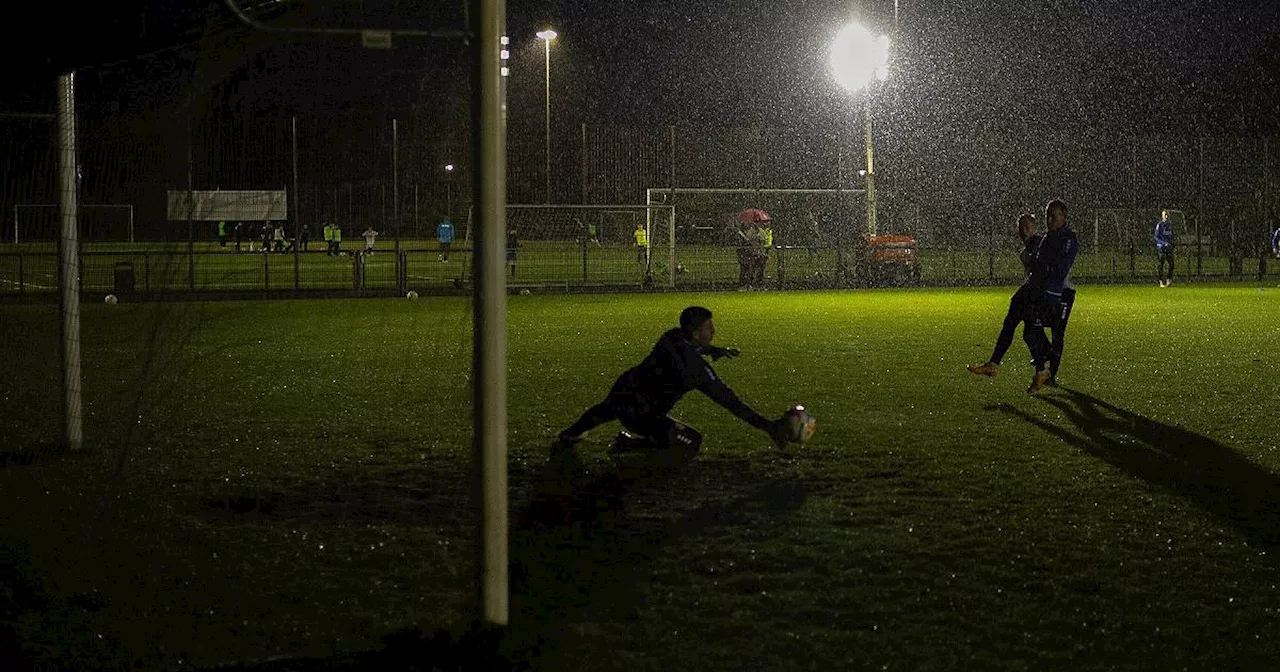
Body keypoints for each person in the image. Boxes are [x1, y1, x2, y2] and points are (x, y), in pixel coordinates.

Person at [555, 306, 790, 454]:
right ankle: (629, 446)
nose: (714, 331)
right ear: (696, 333)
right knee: (691, 442)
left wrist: (715, 350)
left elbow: (688, 348)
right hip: (645, 416)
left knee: (606, 410)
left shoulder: (671, 336)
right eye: (710, 328)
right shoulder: (696, 370)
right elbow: (729, 401)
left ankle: (570, 433)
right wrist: (767, 426)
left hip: (624, 389)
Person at [967, 213, 1043, 378]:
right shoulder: (1028, 249)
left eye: (1027, 226)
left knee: (1024, 329)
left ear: (1034, 228)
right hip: (1031, 293)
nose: (1023, 230)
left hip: (1035, 295)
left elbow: (1041, 270)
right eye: (1021, 227)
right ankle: (1041, 367)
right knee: (1026, 331)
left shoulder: (1038, 244)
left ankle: (1042, 364)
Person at [1024, 199, 1079, 393]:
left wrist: (1043, 268)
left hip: (1063, 293)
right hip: (1046, 292)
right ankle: (1046, 356)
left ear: (1064, 217)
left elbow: (1060, 268)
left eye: (1053, 215)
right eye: (1047, 215)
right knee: (1031, 326)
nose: (1049, 219)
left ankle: (1051, 373)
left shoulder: (1069, 238)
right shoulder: (1047, 238)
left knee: (1057, 332)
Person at [1154, 209, 1175, 287]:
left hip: (1168, 248)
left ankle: (1169, 279)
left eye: (1167, 215)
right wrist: (1163, 243)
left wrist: (1171, 243)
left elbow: (1172, 236)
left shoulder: (1170, 225)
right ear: (1162, 216)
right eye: (1164, 215)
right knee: (1161, 264)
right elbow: (1156, 237)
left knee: (1171, 264)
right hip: (1161, 248)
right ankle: (1160, 281)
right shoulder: (1159, 225)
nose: (1166, 217)